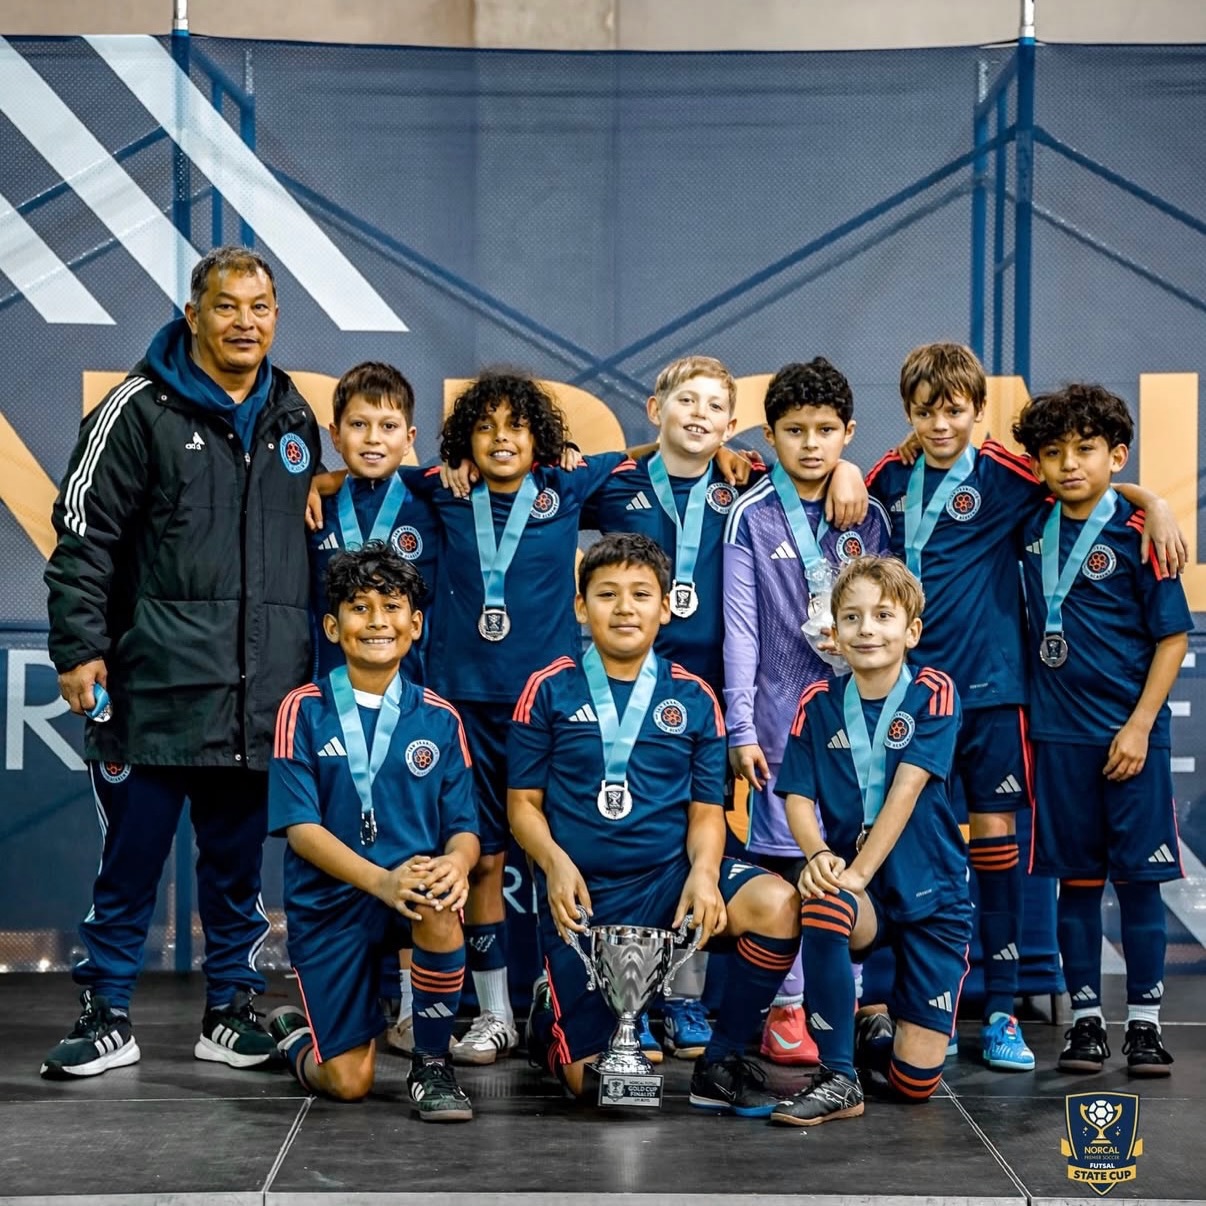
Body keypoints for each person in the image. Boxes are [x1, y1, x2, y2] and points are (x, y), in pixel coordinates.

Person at [41, 245, 320, 1079]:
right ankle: (106, 1011)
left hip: (259, 693)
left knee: (236, 868)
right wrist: (79, 646)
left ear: (276, 315)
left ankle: (230, 1009)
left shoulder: (292, 414)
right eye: (228, 306)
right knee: (130, 860)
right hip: (150, 688)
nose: (246, 322)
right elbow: (83, 537)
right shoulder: (136, 408)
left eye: (261, 306)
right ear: (193, 313)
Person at [864, 342, 1182, 1072]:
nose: (940, 424)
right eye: (925, 411)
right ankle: (899, 1005)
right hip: (908, 696)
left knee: (1000, 840)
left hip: (997, 694)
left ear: (978, 411)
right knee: (906, 842)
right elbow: (845, 486)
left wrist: (1156, 500)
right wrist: (852, 468)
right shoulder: (887, 475)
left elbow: (1088, 489)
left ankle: (1003, 1008)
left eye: (954, 410)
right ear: (908, 414)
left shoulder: (1011, 477)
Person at [582, 354, 867, 1061]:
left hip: (716, 695)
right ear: (656, 410)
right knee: (647, 840)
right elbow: (537, 491)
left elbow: (822, 466)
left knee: (722, 848)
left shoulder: (748, 484)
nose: (701, 417)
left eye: (716, 407)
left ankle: (693, 1001)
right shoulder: (616, 483)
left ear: (736, 426)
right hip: (630, 692)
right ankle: (636, 998)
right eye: (686, 403)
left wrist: (849, 470)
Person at [510, 533, 801, 1115]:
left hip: (668, 882)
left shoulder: (693, 697)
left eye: (641, 594)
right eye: (607, 594)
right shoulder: (547, 689)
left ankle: (720, 1062)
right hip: (583, 897)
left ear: (665, 607)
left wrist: (703, 873)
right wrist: (555, 864)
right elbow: (522, 806)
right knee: (604, 1094)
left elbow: (705, 813)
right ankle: (554, 1022)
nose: (624, 608)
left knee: (778, 903)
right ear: (580, 607)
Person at [403, 371, 635, 1064]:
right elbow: (374, 471)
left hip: (549, 708)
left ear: (542, 440)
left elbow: (653, 456)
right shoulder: (446, 489)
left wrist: (723, 457)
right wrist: (322, 487)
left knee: (558, 856)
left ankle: (561, 1001)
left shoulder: (567, 485)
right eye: (486, 428)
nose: (502, 439)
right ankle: (495, 1012)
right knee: (482, 860)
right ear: (463, 443)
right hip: (465, 706)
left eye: (517, 427)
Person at [1012, 385, 1191, 1076]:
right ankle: (1086, 1023)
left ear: (1116, 454)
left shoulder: (1139, 533)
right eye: (1053, 453)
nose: (1070, 465)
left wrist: (1141, 727)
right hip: (1058, 741)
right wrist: (1157, 495)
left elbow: (1172, 639)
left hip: (1132, 739)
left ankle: (1144, 1025)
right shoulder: (1029, 524)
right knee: (1078, 886)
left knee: (1141, 886)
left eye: (1086, 450)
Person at [265, 545, 480, 1118]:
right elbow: (301, 828)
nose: (378, 620)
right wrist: (381, 881)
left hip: (407, 893)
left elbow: (465, 832)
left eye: (392, 606)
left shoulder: (440, 717)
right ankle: (294, 1040)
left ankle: (432, 1065)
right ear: (334, 627)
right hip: (332, 903)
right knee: (347, 1083)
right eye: (359, 608)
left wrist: (456, 865)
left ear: (416, 624)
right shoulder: (303, 709)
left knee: (438, 898)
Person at [724, 358, 891, 1066]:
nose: (813, 445)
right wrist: (739, 725)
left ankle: (845, 1001)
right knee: (792, 856)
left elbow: (889, 617)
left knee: (851, 853)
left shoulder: (869, 513)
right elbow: (742, 629)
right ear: (770, 435)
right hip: (778, 715)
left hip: (857, 719)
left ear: (849, 433)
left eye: (827, 431)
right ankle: (790, 1007)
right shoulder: (751, 514)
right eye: (796, 431)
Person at [771, 555, 971, 1125]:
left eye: (883, 616)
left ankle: (867, 1032)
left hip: (932, 895)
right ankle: (838, 1077)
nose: (867, 629)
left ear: (911, 631)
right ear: (834, 632)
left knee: (912, 1084)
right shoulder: (818, 704)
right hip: (866, 897)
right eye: (853, 617)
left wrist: (853, 870)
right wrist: (820, 856)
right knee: (827, 899)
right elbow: (796, 797)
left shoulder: (934, 691)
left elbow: (905, 792)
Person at [307, 361, 440, 1055]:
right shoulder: (315, 502)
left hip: (410, 707)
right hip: (335, 708)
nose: (371, 436)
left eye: (388, 426)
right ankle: (360, 994)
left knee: (416, 839)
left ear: (411, 437)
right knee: (345, 840)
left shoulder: (433, 496)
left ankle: (418, 1003)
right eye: (357, 424)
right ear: (333, 433)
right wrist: (315, 481)